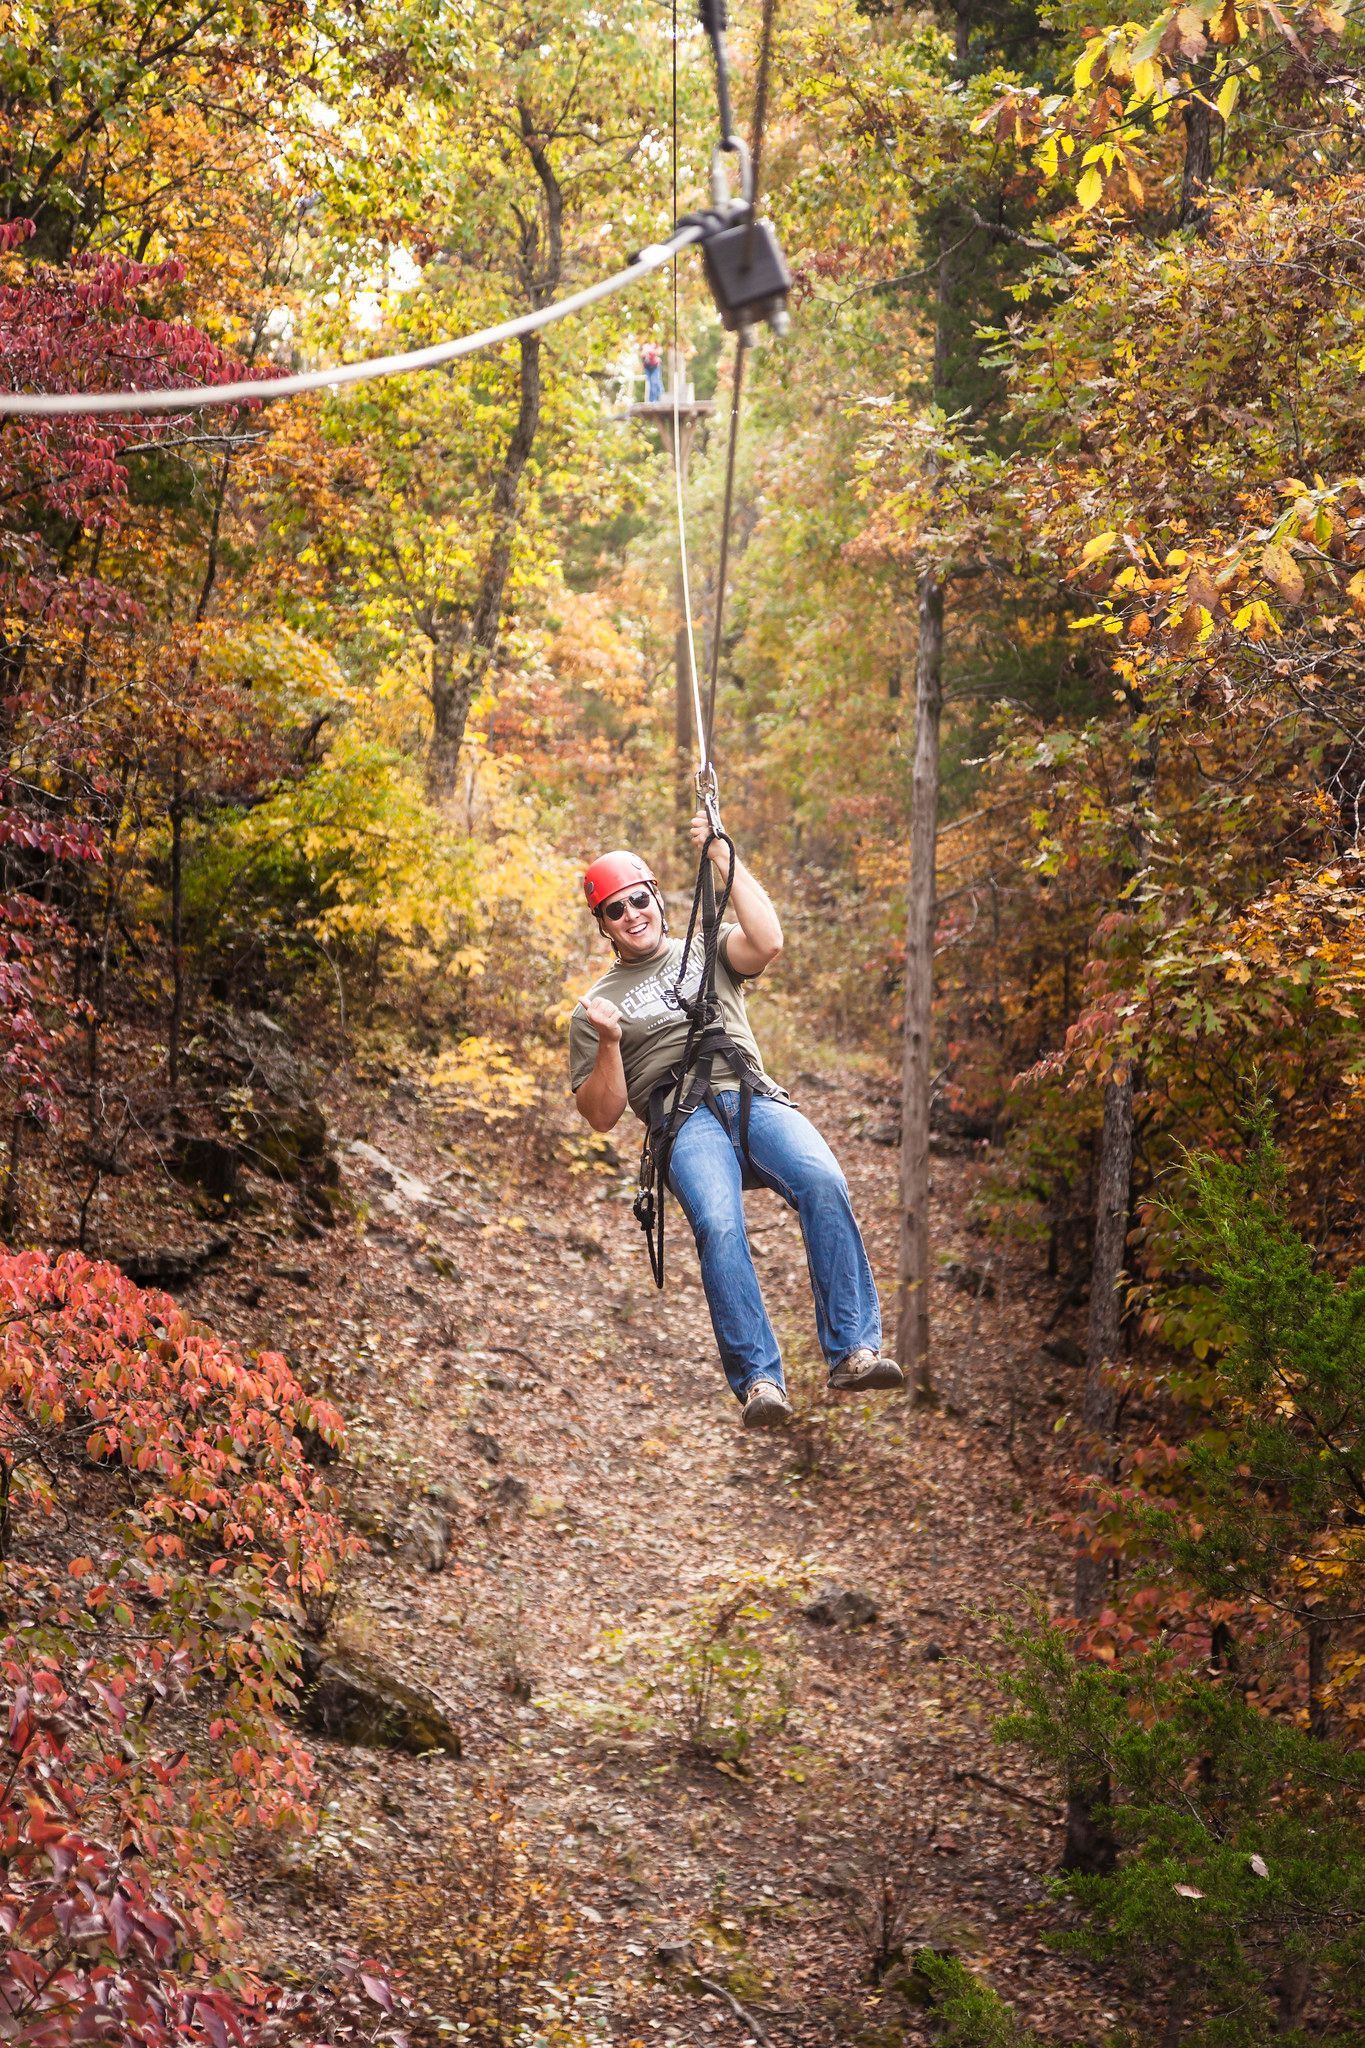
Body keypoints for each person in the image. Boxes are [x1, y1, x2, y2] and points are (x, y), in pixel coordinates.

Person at [568, 815, 904, 1430]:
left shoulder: (707, 945)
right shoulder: (597, 1006)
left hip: (750, 1094)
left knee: (824, 1181)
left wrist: (725, 859)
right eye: (616, 911)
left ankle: (855, 1349)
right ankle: (759, 1382)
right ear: (604, 928)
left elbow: (769, 942)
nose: (632, 915)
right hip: (682, 1120)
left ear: (658, 900)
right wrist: (611, 1043)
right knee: (720, 1225)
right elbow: (600, 1115)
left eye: (639, 899)